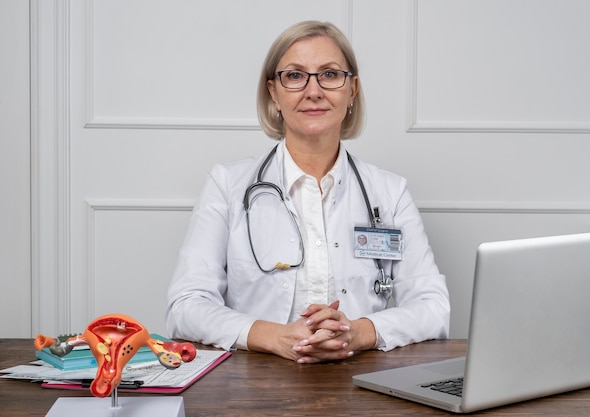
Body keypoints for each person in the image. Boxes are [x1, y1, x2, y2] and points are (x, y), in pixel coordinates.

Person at [165, 20, 450, 364]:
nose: (313, 91)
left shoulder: (390, 192)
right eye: (295, 76)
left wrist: (357, 333)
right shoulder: (227, 184)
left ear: (352, 90)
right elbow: (186, 306)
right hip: (254, 386)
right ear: (273, 92)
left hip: (361, 383)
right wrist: (274, 336)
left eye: (329, 75)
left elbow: (433, 307)